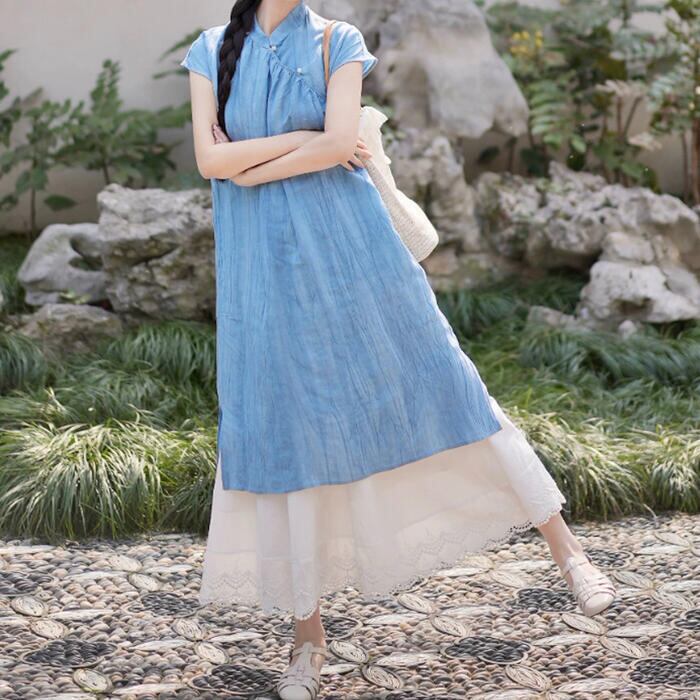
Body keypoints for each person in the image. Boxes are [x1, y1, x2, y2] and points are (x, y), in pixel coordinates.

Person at [180, 1, 617, 697]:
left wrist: (253, 167)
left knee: (445, 383)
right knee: (288, 429)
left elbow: (335, 146)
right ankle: (307, 640)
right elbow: (212, 159)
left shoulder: (338, 41)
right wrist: (299, 143)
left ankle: (569, 554)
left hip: (356, 255)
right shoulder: (210, 50)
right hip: (262, 275)